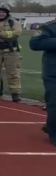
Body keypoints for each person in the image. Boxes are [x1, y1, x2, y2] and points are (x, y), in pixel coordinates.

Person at [29, 19, 56, 147]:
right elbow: (34, 43)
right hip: (53, 73)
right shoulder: (49, 27)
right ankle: (54, 133)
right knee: (54, 103)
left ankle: (50, 125)